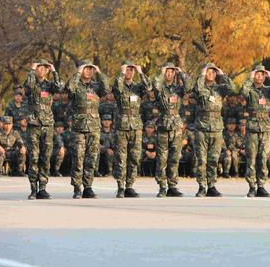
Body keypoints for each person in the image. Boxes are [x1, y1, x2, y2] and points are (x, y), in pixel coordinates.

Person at [66, 59, 111, 199]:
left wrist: (99, 72)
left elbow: (107, 88)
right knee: (78, 158)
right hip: (79, 127)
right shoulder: (76, 85)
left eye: (90, 69)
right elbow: (69, 88)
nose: (88, 71)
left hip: (93, 127)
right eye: (86, 68)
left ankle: (88, 187)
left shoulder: (96, 86)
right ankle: (77, 188)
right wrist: (78, 72)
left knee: (91, 158)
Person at [190, 63, 235, 197]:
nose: (211, 74)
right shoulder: (200, 87)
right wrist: (202, 73)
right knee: (201, 159)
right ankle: (202, 186)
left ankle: (212, 185)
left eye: (213, 72)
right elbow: (197, 88)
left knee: (213, 159)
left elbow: (231, 88)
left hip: (216, 128)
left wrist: (222, 74)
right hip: (202, 127)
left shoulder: (220, 89)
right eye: (208, 72)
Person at [240, 64, 270, 197]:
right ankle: (252, 186)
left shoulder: (268, 90)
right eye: (258, 74)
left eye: (262, 74)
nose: (260, 76)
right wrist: (250, 77)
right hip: (252, 127)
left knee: (263, 157)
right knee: (251, 157)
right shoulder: (250, 89)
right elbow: (243, 92)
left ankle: (261, 185)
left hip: (265, 127)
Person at [23, 59, 62, 200]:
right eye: (39, 68)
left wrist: (54, 71)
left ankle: (43, 188)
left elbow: (60, 87)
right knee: (34, 157)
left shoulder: (50, 85)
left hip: (47, 125)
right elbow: (28, 87)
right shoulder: (31, 82)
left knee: (45, 157)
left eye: (44, 68)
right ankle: (33, 189)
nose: (42, 70)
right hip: (34, 124)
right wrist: (32, 70)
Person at [112, 60, 151, 198]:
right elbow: (116, 86)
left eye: (131, 70)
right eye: (127, 70)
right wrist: (121, 72)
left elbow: (149, 87)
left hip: (136, 126)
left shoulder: (138, 87)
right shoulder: (119, 86)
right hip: (122, 126)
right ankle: (120, 186)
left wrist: (141, 72)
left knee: (134, 157)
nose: (129, 72)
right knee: (121, 157)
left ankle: (129, 186)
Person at [153, 62, 190, 197]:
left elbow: (189, 86)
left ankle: (172, 186)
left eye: (171, 72)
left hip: (176, 126)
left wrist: (181, 73)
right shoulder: (160, 88)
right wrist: (161, 73)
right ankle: (162, 186)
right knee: (162, 158)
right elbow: (156, 85)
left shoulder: (178, 89)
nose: (169, 74)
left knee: (175, 157)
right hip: (163, 125)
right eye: (167, 71)